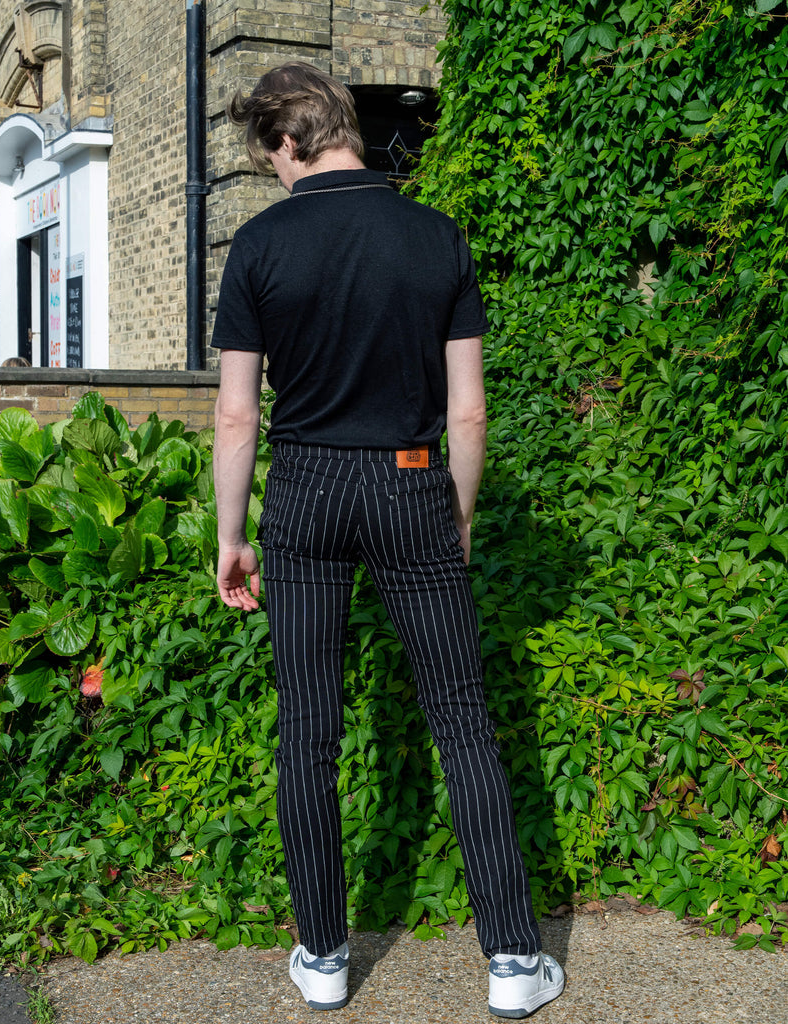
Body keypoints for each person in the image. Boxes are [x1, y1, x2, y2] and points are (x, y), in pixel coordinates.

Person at [211, 61, 565, 1019]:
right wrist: (452, 513)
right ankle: (512, 964)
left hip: (307, 493)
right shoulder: (433, 235)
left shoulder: (259, 244)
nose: (274, 175)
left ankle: (322, 955)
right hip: (411, 480)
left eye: (268, 157)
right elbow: (470, 409)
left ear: (289, 140)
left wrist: (230, 535)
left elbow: (238, 417)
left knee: (308, 730)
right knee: (459, 715)